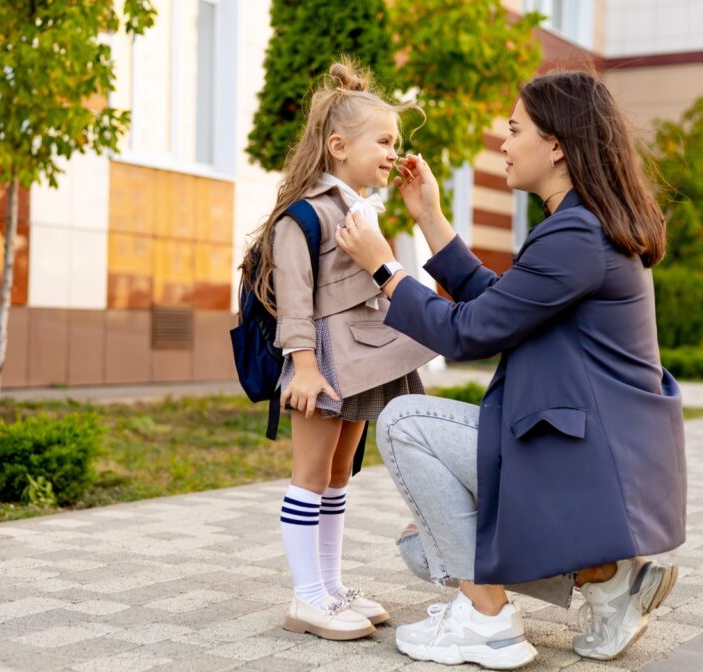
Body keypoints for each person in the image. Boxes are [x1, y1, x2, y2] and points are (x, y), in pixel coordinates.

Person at [335, 70, 686, 668]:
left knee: (402, 422)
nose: (503, 142)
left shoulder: (577, 233)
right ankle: (607, 581)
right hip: (589, 457)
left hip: (583, 462)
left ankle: (487, 621)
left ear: (556, 145)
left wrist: (384, 269)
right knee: (424, 548)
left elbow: (469, 332)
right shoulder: (583, 226)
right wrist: (429, 218)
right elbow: (501, 304)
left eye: (514, 129)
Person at [238, 59, 436, 641]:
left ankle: (330, 587)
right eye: (383, 140)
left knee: (338, 477)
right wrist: (301, 367)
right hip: (323, 365)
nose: (392, 151)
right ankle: (307, 598)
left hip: (362, 360)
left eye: (396, 142)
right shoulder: (304, 217)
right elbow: (296, 301)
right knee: (309, 475)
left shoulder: (359, 210)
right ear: (338, 145)